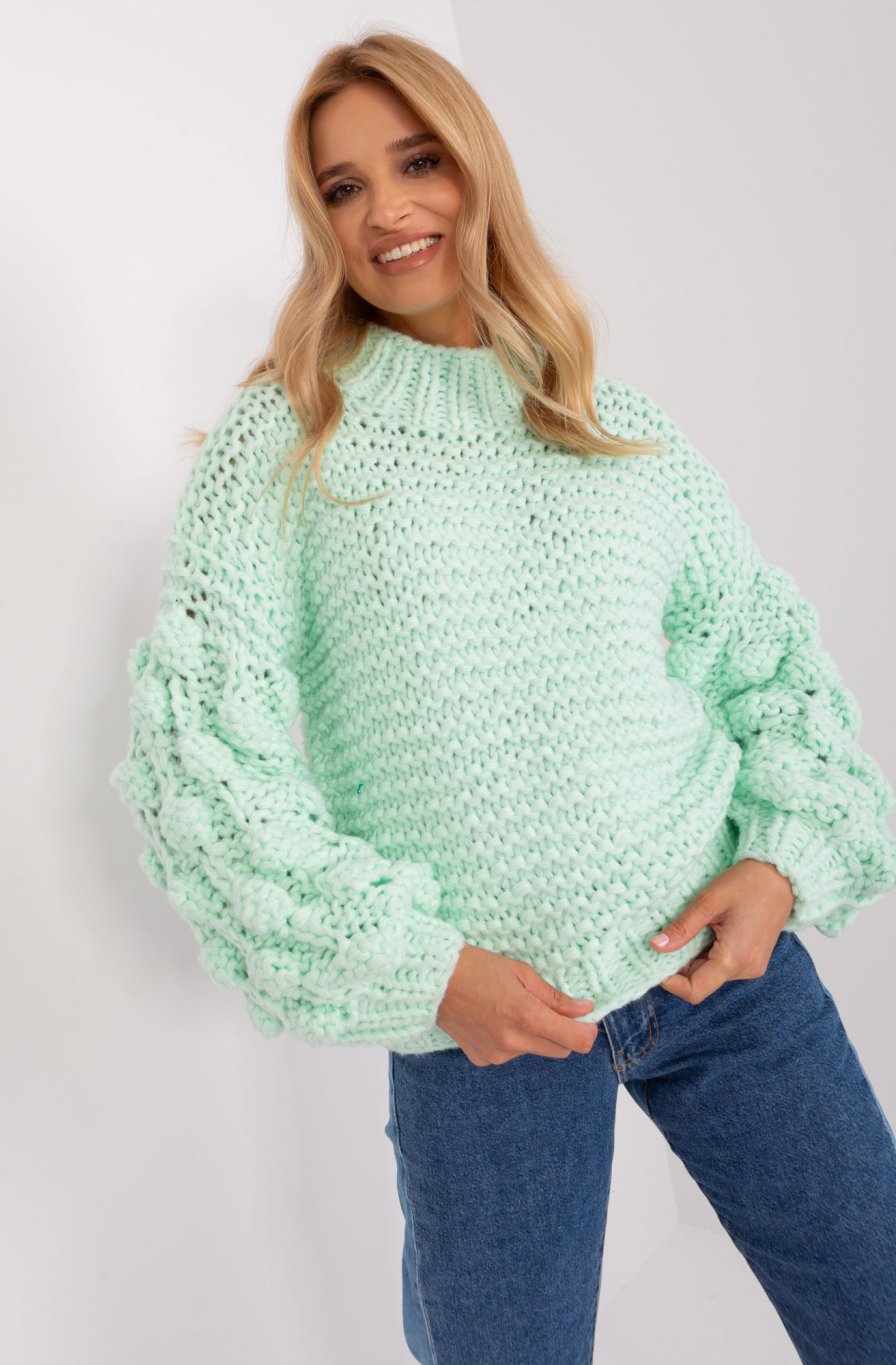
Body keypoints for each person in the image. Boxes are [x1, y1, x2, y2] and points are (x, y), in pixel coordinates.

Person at [109, 28, 896, 1365]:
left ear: (478, 169)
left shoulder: (614, 424)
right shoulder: (288, 437)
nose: (387, 209)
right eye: (343, 187)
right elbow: (204, 759)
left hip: (721, 974)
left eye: (417, 162)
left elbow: (769, 662)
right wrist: (429, 971)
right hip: (487, 1029)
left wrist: (781, 863)